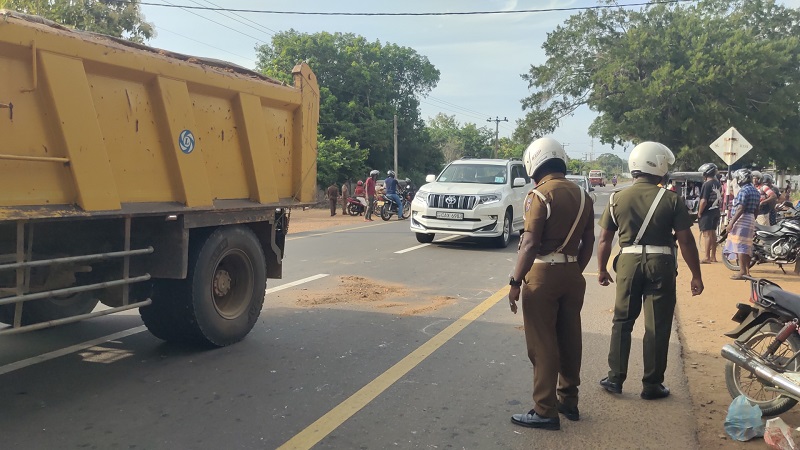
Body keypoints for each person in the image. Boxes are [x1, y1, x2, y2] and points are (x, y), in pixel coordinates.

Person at [596, 141, 703, 401]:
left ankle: (615, 378)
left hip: (628, 264)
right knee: (657, 325)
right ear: (658, 166)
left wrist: (601, 269)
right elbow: (686, 240)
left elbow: (604, 240)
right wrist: (696, 275)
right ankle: (652, 385)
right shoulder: (671, 199)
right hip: (661, 263)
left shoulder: (615, 198)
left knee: (622, 321)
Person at [508, 137, 595, 430]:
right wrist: (573, 270)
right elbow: (589, 242)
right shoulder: (584, 196)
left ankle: (545, 410)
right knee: (570, 338)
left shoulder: (539, 195)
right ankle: (568, 402)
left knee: (542, 343)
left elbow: (530, 243)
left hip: (543, 275)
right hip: (573, 273)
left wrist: (515, 281)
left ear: (535, 162)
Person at [723, 169, 761, 280]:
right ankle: (747, 271)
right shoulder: (755, 191)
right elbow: (757, 209)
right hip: (750, 219)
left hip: (742, 219)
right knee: (746, 246)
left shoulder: (744, 191)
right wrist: (753, 219)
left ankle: (742, 271)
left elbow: (740, 208)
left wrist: (731, 223)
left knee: (740, 246)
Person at [697, 163, 722, 264]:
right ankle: (713, 256)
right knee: (713, 234)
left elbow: (703, 201)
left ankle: (707, 257)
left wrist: (699, 212)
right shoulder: (718, 183)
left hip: (707, 212)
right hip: (716, 211)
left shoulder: (706, 184)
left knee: (706, 235)